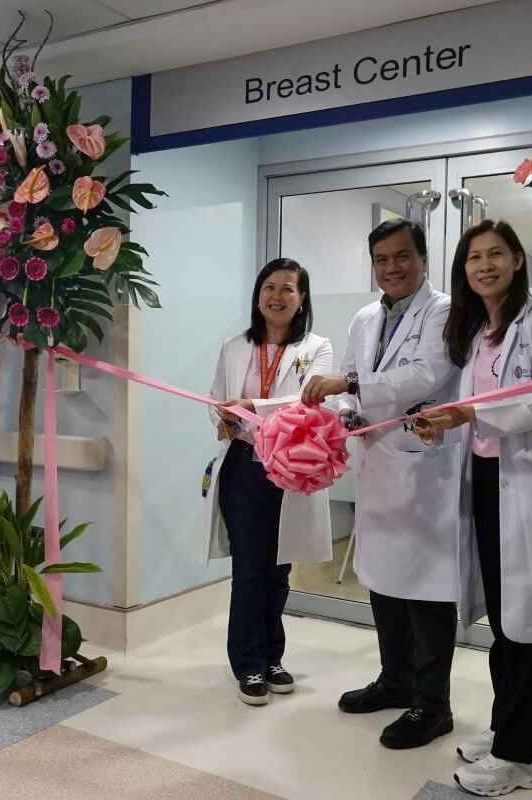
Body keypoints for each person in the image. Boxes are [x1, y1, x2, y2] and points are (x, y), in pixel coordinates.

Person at [413, 220, 532, 795]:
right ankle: (507, 732)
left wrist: (470, 415)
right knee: (505, 619)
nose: (484, 265)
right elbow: (468, 404)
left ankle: (518, 757)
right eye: (474, 258)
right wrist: (445, 421)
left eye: (496, 254)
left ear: (519, 261)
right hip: (488, 481)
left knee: (528, 626)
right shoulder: (479, 331)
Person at [302, 218, 460, 750]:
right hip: (377, 466)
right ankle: (396, 681)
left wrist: (349, 386)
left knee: (427, 590)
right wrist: (345, 411)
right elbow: (351, 377)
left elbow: (425, 374)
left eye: (402, 256)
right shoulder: (366, 316)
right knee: (385, 584)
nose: (391, 267)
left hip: (424, 471)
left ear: (422, 258)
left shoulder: (443, 312)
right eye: (381, 259)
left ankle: (433, 705)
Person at [204, 258, 334, 706]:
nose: (277, 296)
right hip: (244, 466)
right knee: (250, 570)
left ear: (302, 300)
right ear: (258, 295)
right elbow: (215, 396)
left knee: (280, 570)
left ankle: (273, 657)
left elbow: (307, 403)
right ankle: (248, 663)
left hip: (292, 467)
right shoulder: (234, 345)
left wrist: (252, 407)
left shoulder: (317, 348)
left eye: (289, 289)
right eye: (269, 287)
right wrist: (221, 415)